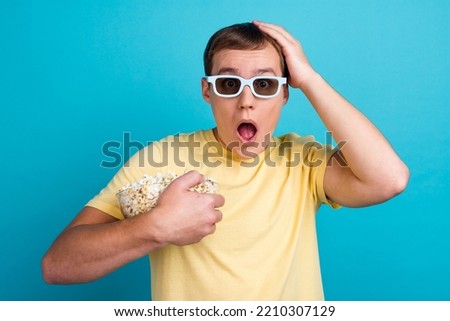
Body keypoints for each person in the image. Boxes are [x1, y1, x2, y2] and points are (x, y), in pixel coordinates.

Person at [42, 21, 409, 300]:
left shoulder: (302, 160)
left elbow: (389, 179)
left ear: (284, 93)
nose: (246, 101)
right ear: (207, 91)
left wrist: (309, 78)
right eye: (229, 84)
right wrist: (154, 227)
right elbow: (58, 265)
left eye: (264, 85)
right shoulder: (160, 159)